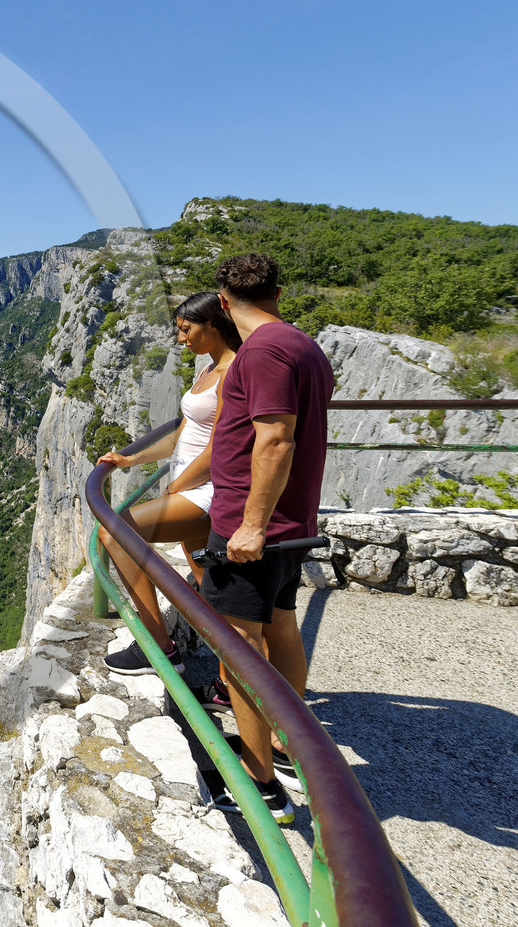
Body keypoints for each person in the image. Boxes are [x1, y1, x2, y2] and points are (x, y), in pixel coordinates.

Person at [200, 252, 333, 826]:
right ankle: (286, 745)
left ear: (224, 303)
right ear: (278, 292)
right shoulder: (306, 346)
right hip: (291, 525)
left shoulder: (263, 352)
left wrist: (250, 525)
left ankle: (261, 786)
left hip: (252, 529)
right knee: (280, 627)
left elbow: (275, 439)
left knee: (238, 652)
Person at [97, 292, 240, 676]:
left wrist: (179, 487)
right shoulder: (208, 369)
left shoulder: (234, 374)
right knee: (210, 591)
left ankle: (157, 646)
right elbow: (183, 433)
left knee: (114, 532)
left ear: (213, 323)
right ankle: (237, 680)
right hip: (188, 486)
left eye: (185, 329)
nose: (181, 339)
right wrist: (132, 459)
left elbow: (219, 448)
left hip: (206, 492)